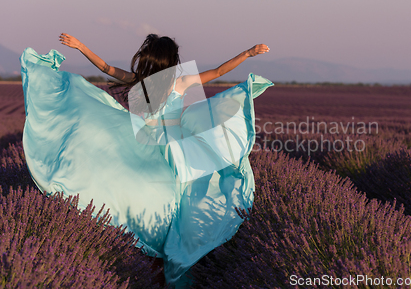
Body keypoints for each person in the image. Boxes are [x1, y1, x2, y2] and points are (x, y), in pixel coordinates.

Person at [20, 33, 273, 288]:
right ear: (172, 60)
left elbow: (106, 68)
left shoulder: (140, 81)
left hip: (142, 142)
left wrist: (81, 46)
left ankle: (145, 254)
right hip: (171, 150)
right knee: (179, 204)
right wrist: (248, 53)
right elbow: (218, 71)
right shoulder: (179, 82)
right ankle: (167, 258)